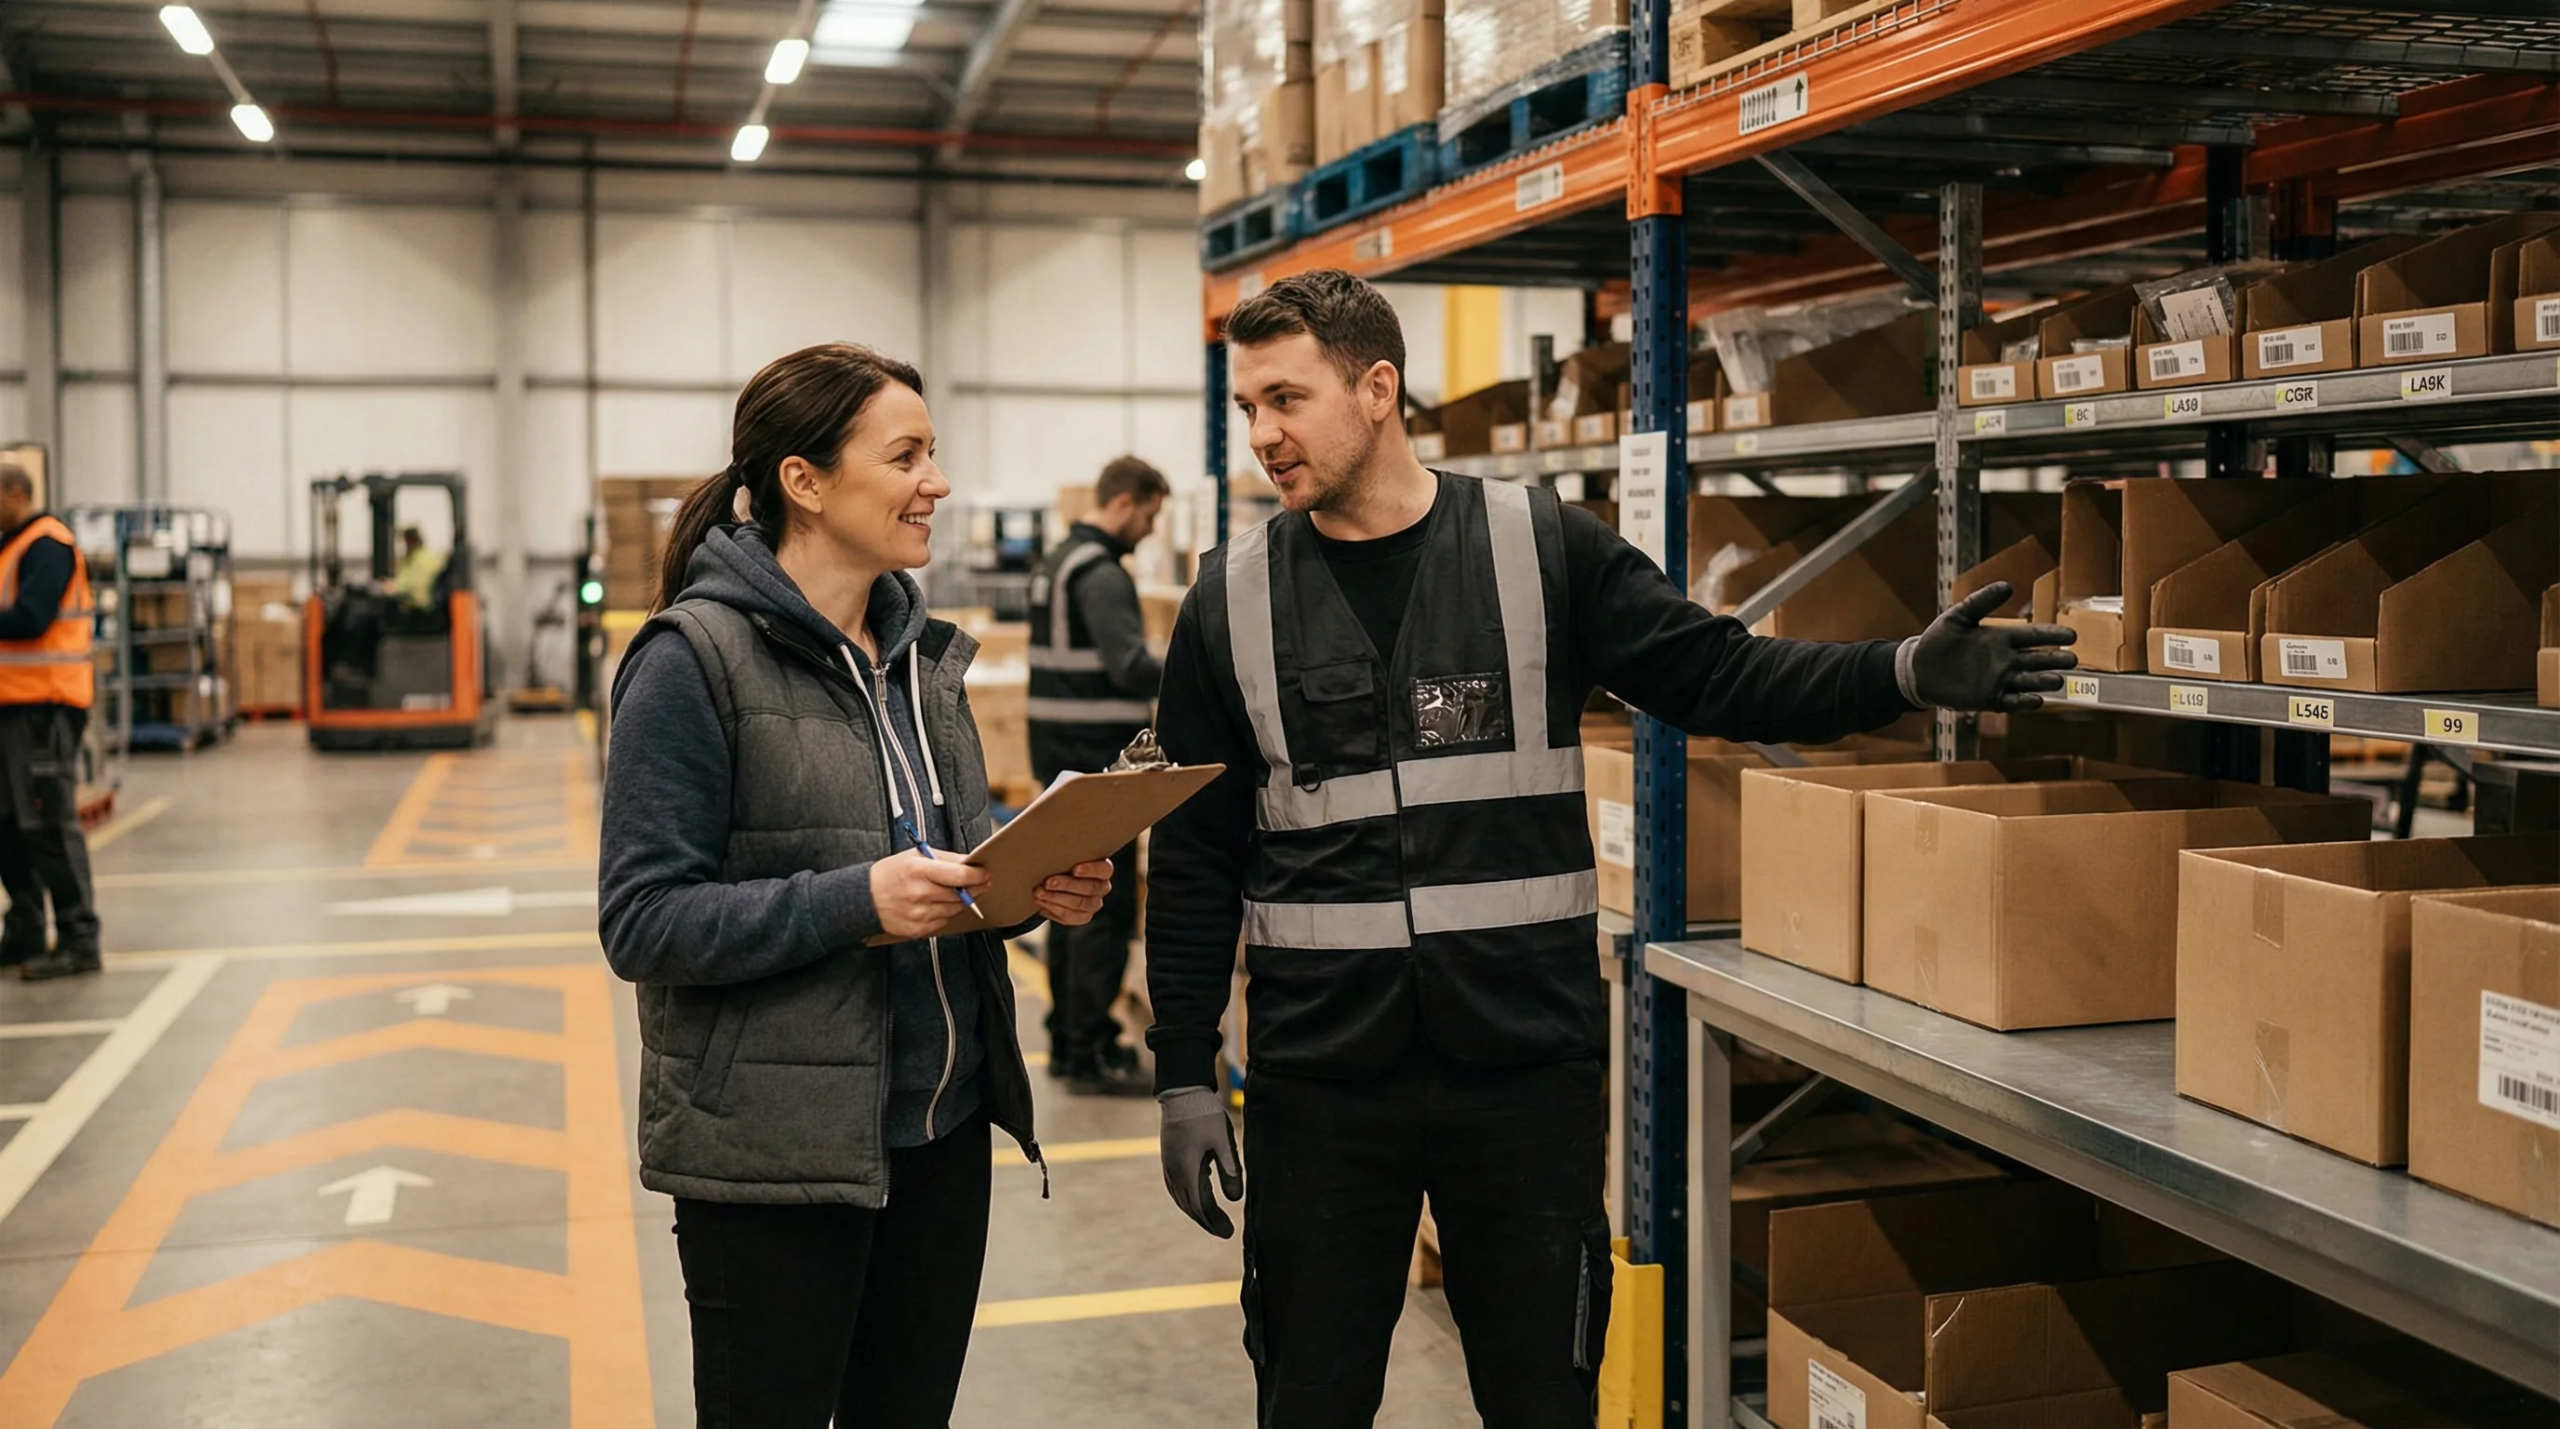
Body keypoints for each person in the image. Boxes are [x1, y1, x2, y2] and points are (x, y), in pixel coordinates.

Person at [1143, 271, 2077, 1427]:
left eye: (1284, 398)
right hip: (1321, 1082)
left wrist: (1892, 671)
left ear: (1376, 388)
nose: (1262, 435)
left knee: (1543, 1394)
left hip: (1522, 1076)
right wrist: (1184, 1068)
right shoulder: (1228, 603)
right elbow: (1190, 852)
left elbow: (1716, 670)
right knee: (1309, 1393)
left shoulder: (1540, 550)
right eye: (1247, 409)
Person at [597, 342, 1115, 1429]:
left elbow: (951, 859)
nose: (937, 480)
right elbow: (642, 920)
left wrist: (1030, 879)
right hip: (777, 1157)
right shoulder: (691, 661)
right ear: (806, 480)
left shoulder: (918, 657)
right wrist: (853, 903)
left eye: (936, 453)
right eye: (907, 454)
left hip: (942, 1133)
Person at [1027, 454, 1171, 1096]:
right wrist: (1201, 661)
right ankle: (1089, 1045)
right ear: (1123, 503)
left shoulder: (1058, 560)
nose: (1148, 529)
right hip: (1095, 757)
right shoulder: (1103, 573)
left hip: (1058, 751)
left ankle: (1068, 1035)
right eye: (1149, 514)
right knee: (1099, 905)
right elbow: (1131, 667)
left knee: (1061, 897)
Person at [0, 464, 101, 983]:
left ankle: (79, 936)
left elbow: (32, 619)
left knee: (47, 823)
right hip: (11, 708)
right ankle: (25, 926)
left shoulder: (47, 544)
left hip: (45, 707)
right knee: (7, 825)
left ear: (17, 494)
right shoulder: (10, 546)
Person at [384, 526, 442, 610]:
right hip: (413, 603)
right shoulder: (412, 558)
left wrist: (390, 587)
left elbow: (411, 584)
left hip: (418, 607)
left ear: (410, 541)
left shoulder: (421, 560)